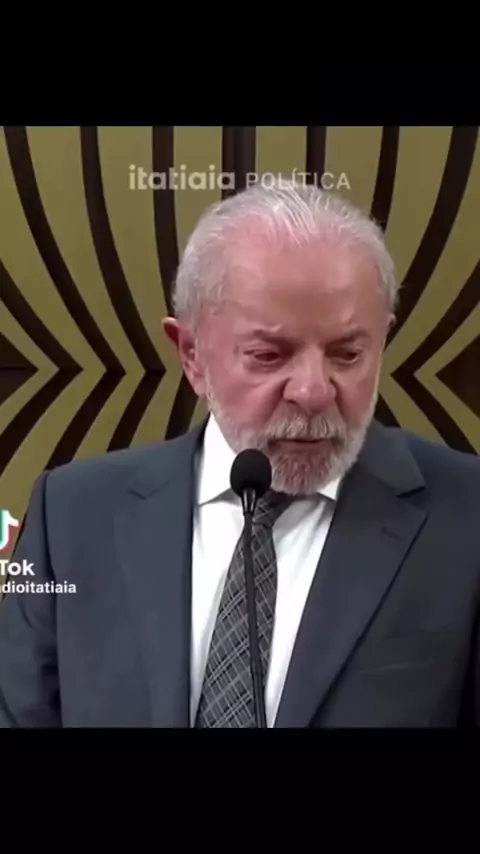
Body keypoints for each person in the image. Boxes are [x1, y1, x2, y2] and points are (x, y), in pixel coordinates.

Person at [0, 179, 479, 728]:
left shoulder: (467, 517)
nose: (313, 390)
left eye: (347, 354)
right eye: (269, 355)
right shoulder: (70, 515)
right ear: (191, 354)